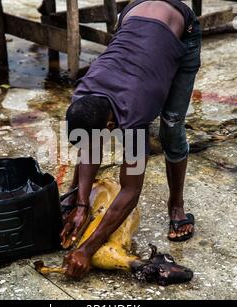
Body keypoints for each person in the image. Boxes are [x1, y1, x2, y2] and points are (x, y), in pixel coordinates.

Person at [61, 0, 202, 278]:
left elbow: (130, 191)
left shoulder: (136, 114)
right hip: (134, 14)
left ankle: (176, 205)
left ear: (112, 124)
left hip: (180, 27)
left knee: (171, 125)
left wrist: (87, 249)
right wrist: (80, 203)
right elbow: (89, 146)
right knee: (87, 152)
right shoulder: (84, 95)